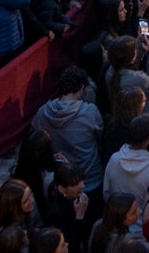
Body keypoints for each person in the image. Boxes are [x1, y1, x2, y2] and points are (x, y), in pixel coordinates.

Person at [30, 67, 105, 195]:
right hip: (91, 179)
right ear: (81, 88)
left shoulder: (42, 113)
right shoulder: (90, 112)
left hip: (63, 183)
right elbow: (101, 136)